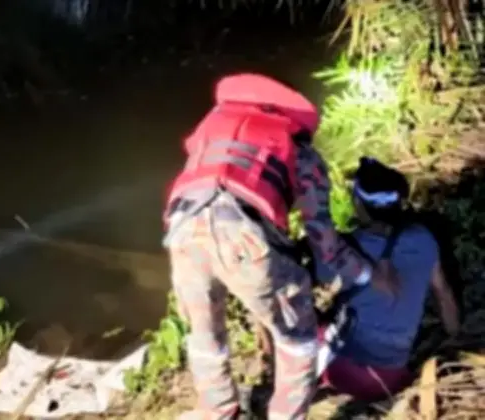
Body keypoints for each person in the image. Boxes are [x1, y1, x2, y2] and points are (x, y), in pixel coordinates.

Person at [162, 73, 399, 420]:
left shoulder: (214, 127)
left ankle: (218, 411)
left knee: (205, 333)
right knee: (299, 340)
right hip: (242, 238)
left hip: (183, 230)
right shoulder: (299, 153)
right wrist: (367, 275)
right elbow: (325, 245)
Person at [312, 157, 460, 401]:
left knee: (305, 323)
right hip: (392, 377)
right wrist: (455, 339)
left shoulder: (343, 249)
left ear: (357, 204)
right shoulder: (424, 239)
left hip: (344, 371)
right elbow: (443, 292)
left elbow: (318, 281)